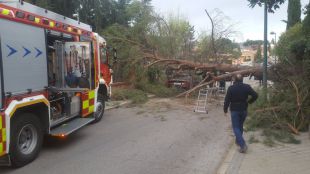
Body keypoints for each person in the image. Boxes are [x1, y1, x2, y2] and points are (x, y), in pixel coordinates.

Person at [224, 74, 258, 153]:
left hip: (235, 110)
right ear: (242, 80)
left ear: (235, 80)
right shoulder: (247, 87)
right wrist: (249, 102)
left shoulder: (231, 88)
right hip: (244, 109)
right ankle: (238, 141)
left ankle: (242, 145)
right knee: (240, 126)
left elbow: (227, 100)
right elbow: (255, 95)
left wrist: (225, 110)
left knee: (236, 127)